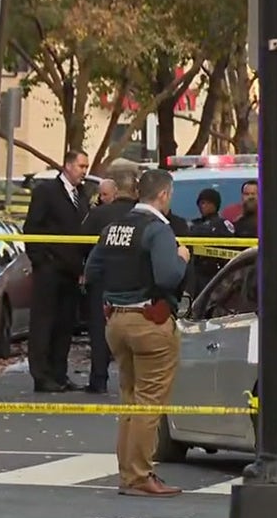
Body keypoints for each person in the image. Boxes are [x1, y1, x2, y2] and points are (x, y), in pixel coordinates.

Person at [85, 169, 190, 497]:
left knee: (129, 399)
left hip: (116, 320)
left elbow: (91, 272)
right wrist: (182, 257)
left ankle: (128, 474)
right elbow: (168, 276)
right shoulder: (158, 230)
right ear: (163, 195)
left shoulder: (114, 228)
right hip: (150, 321)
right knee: (148, 402)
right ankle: (142, 474)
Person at [23, 150, 91, 392]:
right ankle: (41, 375)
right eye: (81, 166)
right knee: (44, 322)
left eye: (86, 166)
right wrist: (41, 261)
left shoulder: (81, 195)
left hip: (71, 271)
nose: (85, 171)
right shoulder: (47, 192)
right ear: (68, 166)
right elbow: (31, 227)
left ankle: (59, 373)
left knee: (64, 324)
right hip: (50, 269)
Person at [80, 165, 141, 394]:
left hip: (103, 281)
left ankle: (98, 379)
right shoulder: (142, 215)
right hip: (135, 281)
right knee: (135, 329)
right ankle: (134, 381)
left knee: (99, 330)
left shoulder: (99, 214)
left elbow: (81, 243)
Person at [188, 188, 235, 297]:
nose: (203, 206)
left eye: (208, 203)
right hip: (195, 276)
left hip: (217, 276)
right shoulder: (193, 224)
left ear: (215, 205)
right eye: (201, 203)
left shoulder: (223, 224)